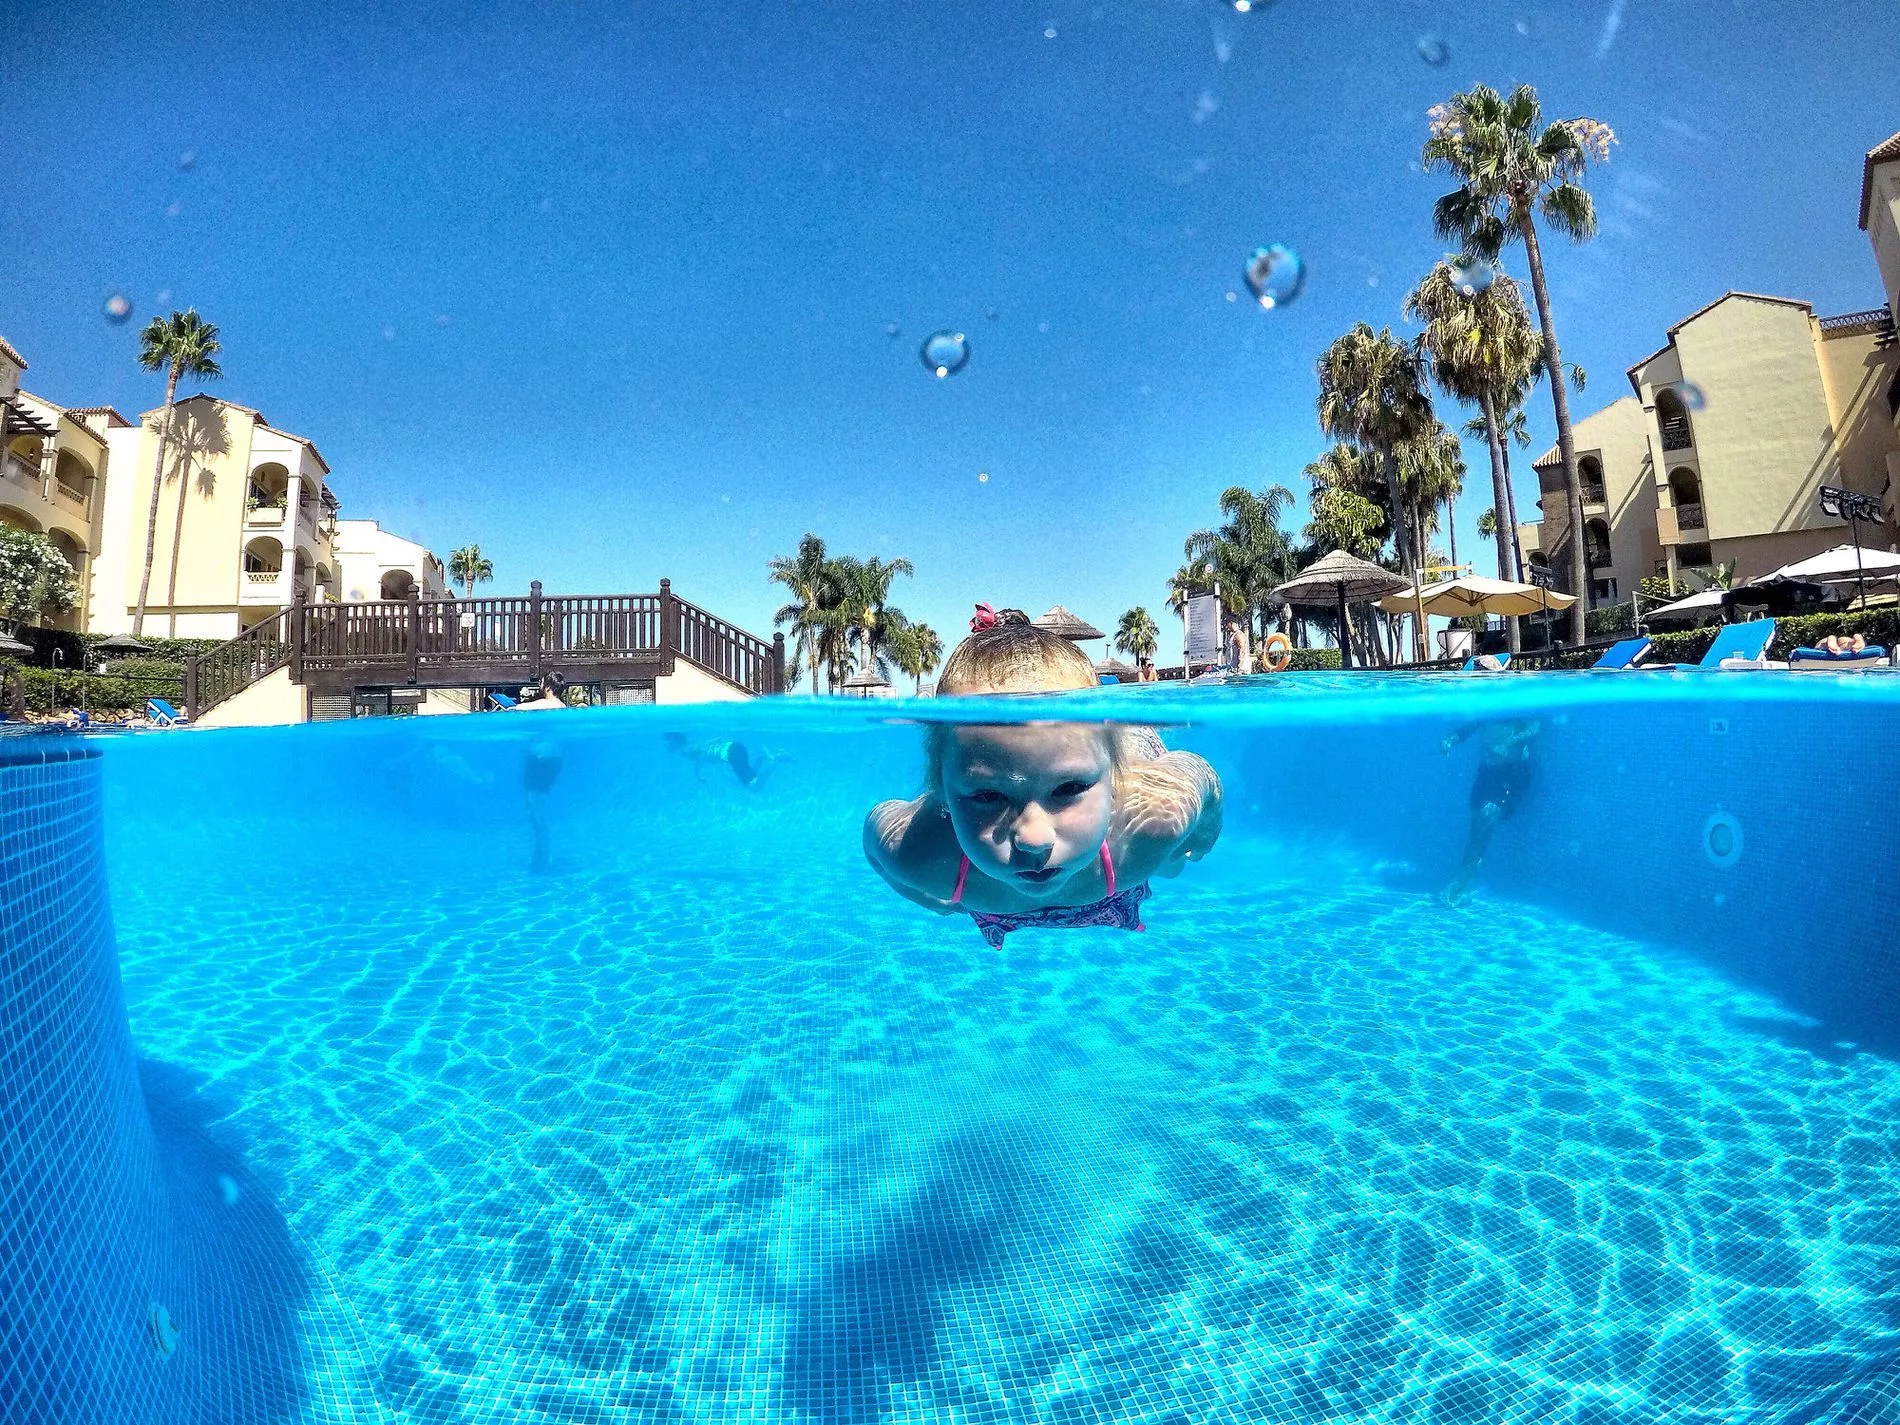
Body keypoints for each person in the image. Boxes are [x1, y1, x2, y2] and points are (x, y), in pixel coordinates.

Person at [864, 604, 1222, 947]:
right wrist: (935, 900)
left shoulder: (1152, 827)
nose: (1033, 840)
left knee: (1172, 863)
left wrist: (1202, 839)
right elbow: (875, 841)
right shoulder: (917, 855)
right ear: (942, 793)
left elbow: (1201, 776)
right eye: (988, 796)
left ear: (1113, 782)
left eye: (1069, 788)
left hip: (1124, 820)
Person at [1441, 717, 1541, 904]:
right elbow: (1472, 725)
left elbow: (1535, 728)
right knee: (1475, 825)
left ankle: (1464, 881)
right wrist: (1451, 739)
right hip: (1487, 772)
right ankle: (1465, 875)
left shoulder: (1522, 708)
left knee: (1487, 818)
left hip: (1512, 773)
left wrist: (1508, 743)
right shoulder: (1490, 710)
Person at [664, 732, 781, 789]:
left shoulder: (696, 753)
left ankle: (777, 759)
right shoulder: (704, 743)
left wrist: (698, 776)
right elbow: (718, 739)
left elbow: (697, 763)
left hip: (731, 754)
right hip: (736, 746)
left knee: (752, 786)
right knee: (751, 774)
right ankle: (762, 756)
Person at [522, 739, 562, 872]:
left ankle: (544, 860)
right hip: (538, 783)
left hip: (535, 785)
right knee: (539, 824)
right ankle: (543, 858)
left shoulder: (543, 748)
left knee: (539, 824)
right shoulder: (547, 749)